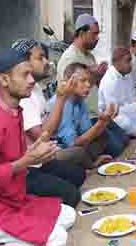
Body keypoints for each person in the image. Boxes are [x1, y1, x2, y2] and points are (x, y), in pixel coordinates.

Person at [0, 49, 75, 246]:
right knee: (57, 237)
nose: (32, 80)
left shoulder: (15, 112)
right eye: (24, 74)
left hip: (12, 200)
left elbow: (12, 160)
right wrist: (26, 161)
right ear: (4, 80)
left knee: (68, 215)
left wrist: (33, 154)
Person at [12, 39, 85, 208]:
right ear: (24, 62)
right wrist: (61, 98)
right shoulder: (23, 95)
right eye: (40, 58)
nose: (46, 62)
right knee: (71, 195)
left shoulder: (35, 88)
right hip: (28, 168)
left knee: (78, 175)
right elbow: (42, 136)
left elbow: (49, 129)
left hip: (42, 159)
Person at [53, 62, 119, 169]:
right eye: (83, 81)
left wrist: (105, 122)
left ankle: (86, 161)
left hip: (76, 146)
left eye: (89, 81)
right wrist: (100, 123)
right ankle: (91, 165)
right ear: (68, 81)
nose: (88, 85)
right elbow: (73, 144)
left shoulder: (79, 100)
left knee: (103, 134)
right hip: (60, 150)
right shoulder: (62, 103)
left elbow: (87, 133)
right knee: (77, 152)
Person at [56, 13, 108, 117]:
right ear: (81, 33)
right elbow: (72, 91)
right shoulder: (70, 58)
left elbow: (95, 86)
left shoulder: (90, 57)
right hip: (79, 117)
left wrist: (100, 75)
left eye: (98, 34)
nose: (97, 38)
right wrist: (94, 75)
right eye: (94, 34)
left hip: (95, 114)